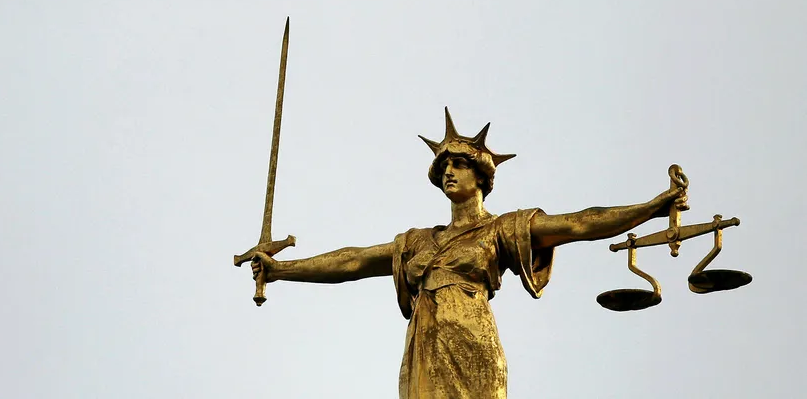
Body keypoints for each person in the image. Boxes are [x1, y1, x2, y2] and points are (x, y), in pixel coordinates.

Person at [249, 109, 688, 399]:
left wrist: (652, 206)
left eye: (457, 164)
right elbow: (355, 260)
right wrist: (282, 269)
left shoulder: (501, 230)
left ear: (481, 174)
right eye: (443, 168)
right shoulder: (419, 241)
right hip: (427, 341)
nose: (448, 173)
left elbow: (580, 223)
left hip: (472, 338)